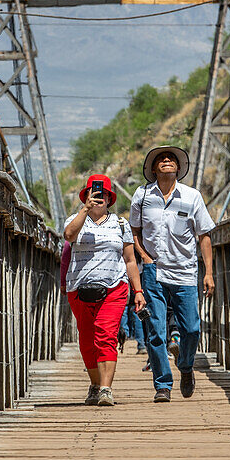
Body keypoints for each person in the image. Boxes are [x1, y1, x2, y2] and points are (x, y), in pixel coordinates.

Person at [130, 145, 215, 402]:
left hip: (185, 272)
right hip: (154, 272)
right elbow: (134, 232)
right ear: (153, 168)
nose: (167, 161)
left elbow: (204, 235)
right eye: (161, 159)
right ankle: (162, 385)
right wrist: (144, 257)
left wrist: (208, 272)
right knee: (155, 331)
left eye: (171, 159)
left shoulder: (192, 196)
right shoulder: (142, 195)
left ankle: (186, 366)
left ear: (178, 168)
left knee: (191, 329)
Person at [64, 174, 146, 407]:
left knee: (106, 335)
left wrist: (138, 291)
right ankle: (95, 383)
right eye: (94, 193)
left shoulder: (120, 224)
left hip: (114, 288)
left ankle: (105, 389)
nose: (99, 198)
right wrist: (84, 210)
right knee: (87, 340)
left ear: (110, 199)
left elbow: (130, 260)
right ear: (86, 196)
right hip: (79, 288)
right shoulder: (75, 219)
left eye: (103, 195)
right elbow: (69, 236)